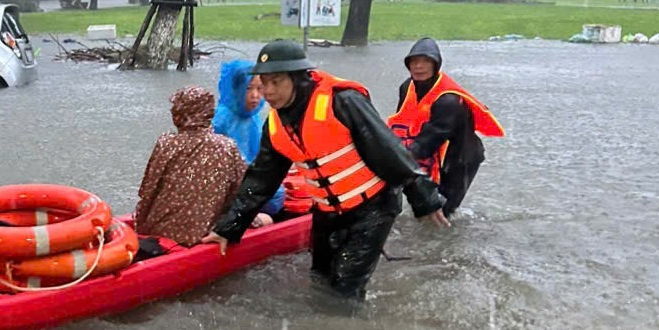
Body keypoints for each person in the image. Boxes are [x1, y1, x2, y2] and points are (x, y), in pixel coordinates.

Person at [201, 41, 448, 302]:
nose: (268, 92)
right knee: (319, 278)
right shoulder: (274, 125)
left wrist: (424, 198)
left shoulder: (343, 101)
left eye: (276, 82)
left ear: (297, 78)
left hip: (372, 209)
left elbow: (389, 151)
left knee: (344, 292)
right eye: (264, 83)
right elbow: (261, 180)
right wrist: (229, 227)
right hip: (326, 213)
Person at [387, 38, 504, 217]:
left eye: (426, 61)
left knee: (443, 210)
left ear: (436, 65)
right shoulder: (406, 87)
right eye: (414, 61)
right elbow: (403, 122)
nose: (419, 66)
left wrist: (400, 158)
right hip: (427, 150)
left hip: (460, 159)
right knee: (420, 206)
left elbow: (432, 137)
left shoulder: (448, 100)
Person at [135, 86, 249, 247]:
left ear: (181, 113)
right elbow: (241, 192)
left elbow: (147, 190)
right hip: (200, 233)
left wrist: (139, 224)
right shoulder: (227, 146)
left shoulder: (166, 143)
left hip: (158, 229)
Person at [213, 59, 285, 221]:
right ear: (235, 89)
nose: (255, 96)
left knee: (277, 194)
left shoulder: (253, 118)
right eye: (248, 89)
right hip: (227, 183)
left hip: (248, 177)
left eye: (260, 89)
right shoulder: (221, 118)